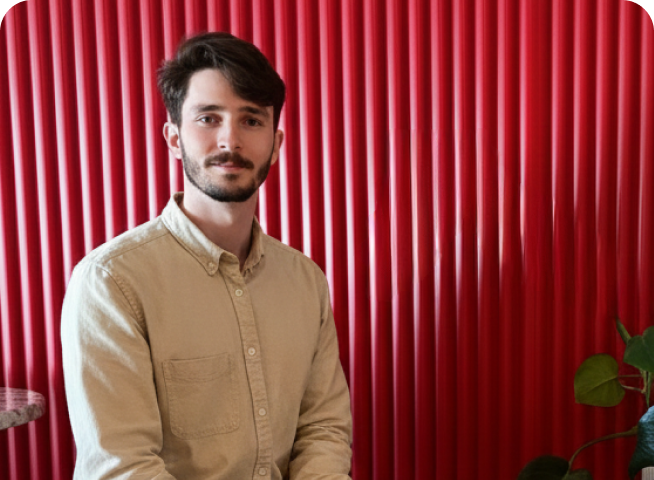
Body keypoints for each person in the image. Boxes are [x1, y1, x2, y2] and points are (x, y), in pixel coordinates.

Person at [61, 31, 352, 479]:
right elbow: (123, 467)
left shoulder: (304, 281)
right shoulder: (111, 282)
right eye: (208, 118)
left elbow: (323, 430)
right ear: (174, 138)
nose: (228, 140)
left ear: (276, 144)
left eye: (251, 120)